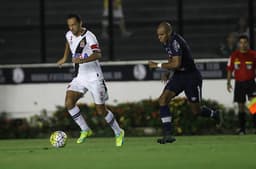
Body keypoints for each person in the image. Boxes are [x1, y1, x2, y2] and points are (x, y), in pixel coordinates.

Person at [148, 21, 223, 144]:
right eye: (158, 35)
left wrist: (157, 65)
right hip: (179, 76)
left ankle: (215, 114)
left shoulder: (175, 41)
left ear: (169, 33)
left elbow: (177, 63)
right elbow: (171, 57)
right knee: (163, 100)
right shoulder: (167, 42)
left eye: (161, 35)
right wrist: (167, 71)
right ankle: (168, 135)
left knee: (196, 111)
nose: (159, 37)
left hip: (191, 77)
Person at [57, 14, 124, 146]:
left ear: (80, 23)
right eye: (69, 25)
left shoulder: (89, 37)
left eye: (74, 25)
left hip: (94, 77)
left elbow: (98, 54)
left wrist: (81, 60)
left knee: (101, 111)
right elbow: (68, 42)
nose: (71, 28)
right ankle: (85, 129)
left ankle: (118, 131)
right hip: (80, 77)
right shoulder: (69, 34)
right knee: (69, 102)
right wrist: (65, 57)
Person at [226, 35, 256, 135]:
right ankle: (242, 129)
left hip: (251, 83)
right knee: (241, 106)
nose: (243, 44)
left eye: (245, 42)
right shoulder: (234, 55)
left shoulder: (253, 54)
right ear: (238, 44)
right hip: (239, 83)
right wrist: (228, 82)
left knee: (254, 106)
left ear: (248, 43)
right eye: (241, 42)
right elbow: (230, 69)